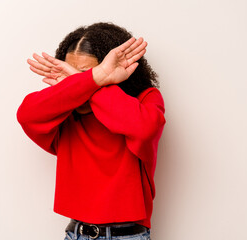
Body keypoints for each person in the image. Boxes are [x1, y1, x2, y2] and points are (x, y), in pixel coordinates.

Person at [16, 22, 166, 240]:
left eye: (86, 73)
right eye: (72, 75)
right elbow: (26, 116)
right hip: (76, 233)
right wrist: (92, 79)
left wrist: (92, 83)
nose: (78, 80)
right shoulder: (63, 114)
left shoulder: (145, 100)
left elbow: (143, 129)